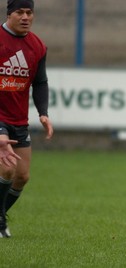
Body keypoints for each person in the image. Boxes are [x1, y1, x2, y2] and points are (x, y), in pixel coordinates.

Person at [0, 0, 53, 238]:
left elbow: (40, 82)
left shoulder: (37, 46)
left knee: (22, 176)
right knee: (7, 170)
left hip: (19, 120)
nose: (25, 17)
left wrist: (43, 113)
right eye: (19, 12)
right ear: (9, 14)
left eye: (29, 12)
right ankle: (0, 222)